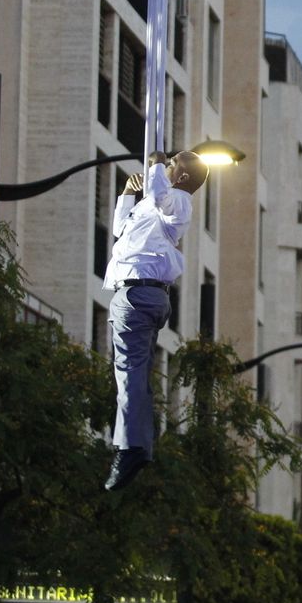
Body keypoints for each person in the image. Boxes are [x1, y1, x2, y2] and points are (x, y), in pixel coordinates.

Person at [102, 149, 208, 490]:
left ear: (181, 177)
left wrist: (157, 165)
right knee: (132, 375)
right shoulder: (159, 204)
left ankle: (131, 446)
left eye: (173, 164)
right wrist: (127, 195)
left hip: (138, 293)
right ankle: (135, 443)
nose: (165, 166)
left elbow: (161, 195)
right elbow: (122, 231)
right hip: (138, 293)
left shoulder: (178, 200)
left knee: (129, 375)